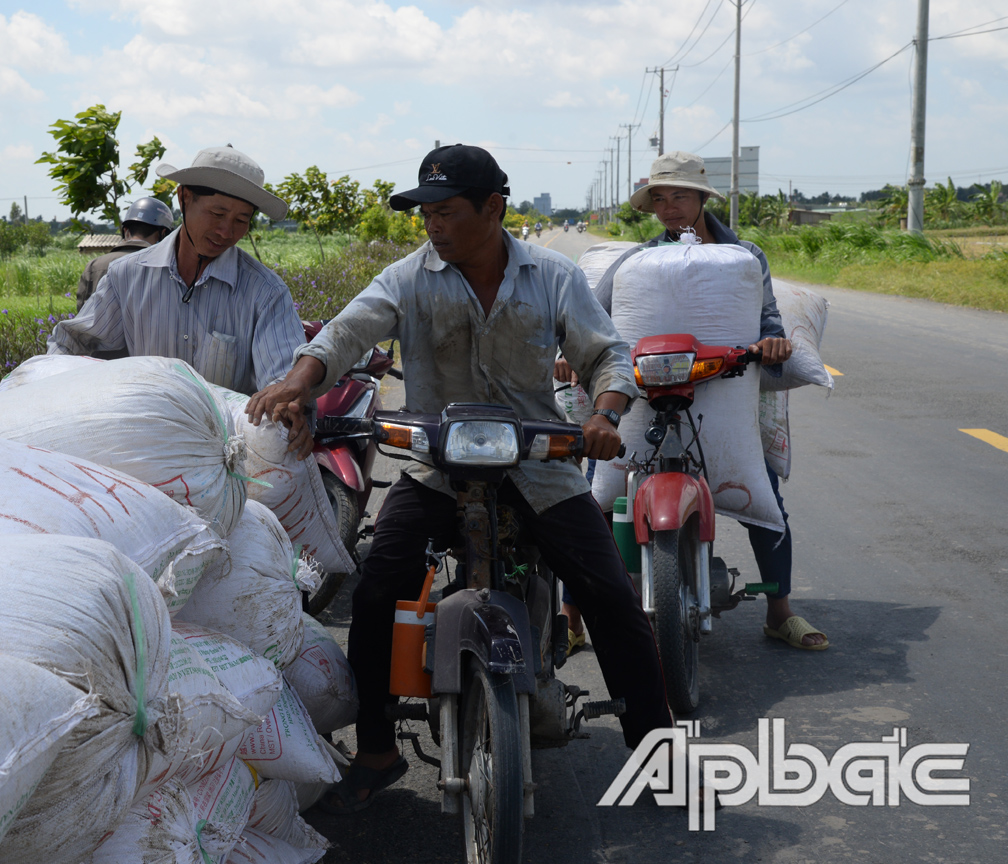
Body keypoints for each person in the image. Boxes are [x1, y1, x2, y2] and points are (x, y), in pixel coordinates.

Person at [247, 144, 675, 814]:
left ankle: (656, 751)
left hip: (537, 464)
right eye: (426, 214)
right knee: (377, 589)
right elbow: (345, 333)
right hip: (436, 466)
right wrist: (299, 383)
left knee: (611, 596)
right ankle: (378, 746)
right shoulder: (408, 277)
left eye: (446, 212)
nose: (433, 227)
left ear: (493, 208)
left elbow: (606, 354)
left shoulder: (554, 277)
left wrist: (605, 411)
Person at [556, 150, 828, 651]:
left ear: (702, 197)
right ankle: (571, 620)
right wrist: (573, 355)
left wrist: (774, 343)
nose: (667, 207)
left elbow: (765, 318)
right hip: (647, 390)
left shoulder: (745, 257)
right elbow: (595, 321)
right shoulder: (636, 262)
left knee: (763, 492)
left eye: (678, 195)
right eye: (658, 198)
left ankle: (779, 611)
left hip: (722, 388)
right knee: (591, 498)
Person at [44, 146, 303, 395]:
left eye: (241, 220)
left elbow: (284, 382)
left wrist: (285, 406)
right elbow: (70, 342)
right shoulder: (126, 276)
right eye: (216, 213)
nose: (226, 231)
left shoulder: (266, 294)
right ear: (184, 198)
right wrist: (46, 387)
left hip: (222, 439)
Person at [76, 197, 174, 311]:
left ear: (126, 231)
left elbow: (81, 314)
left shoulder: (94, 266)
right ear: (162, 234)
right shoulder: (166, 267)